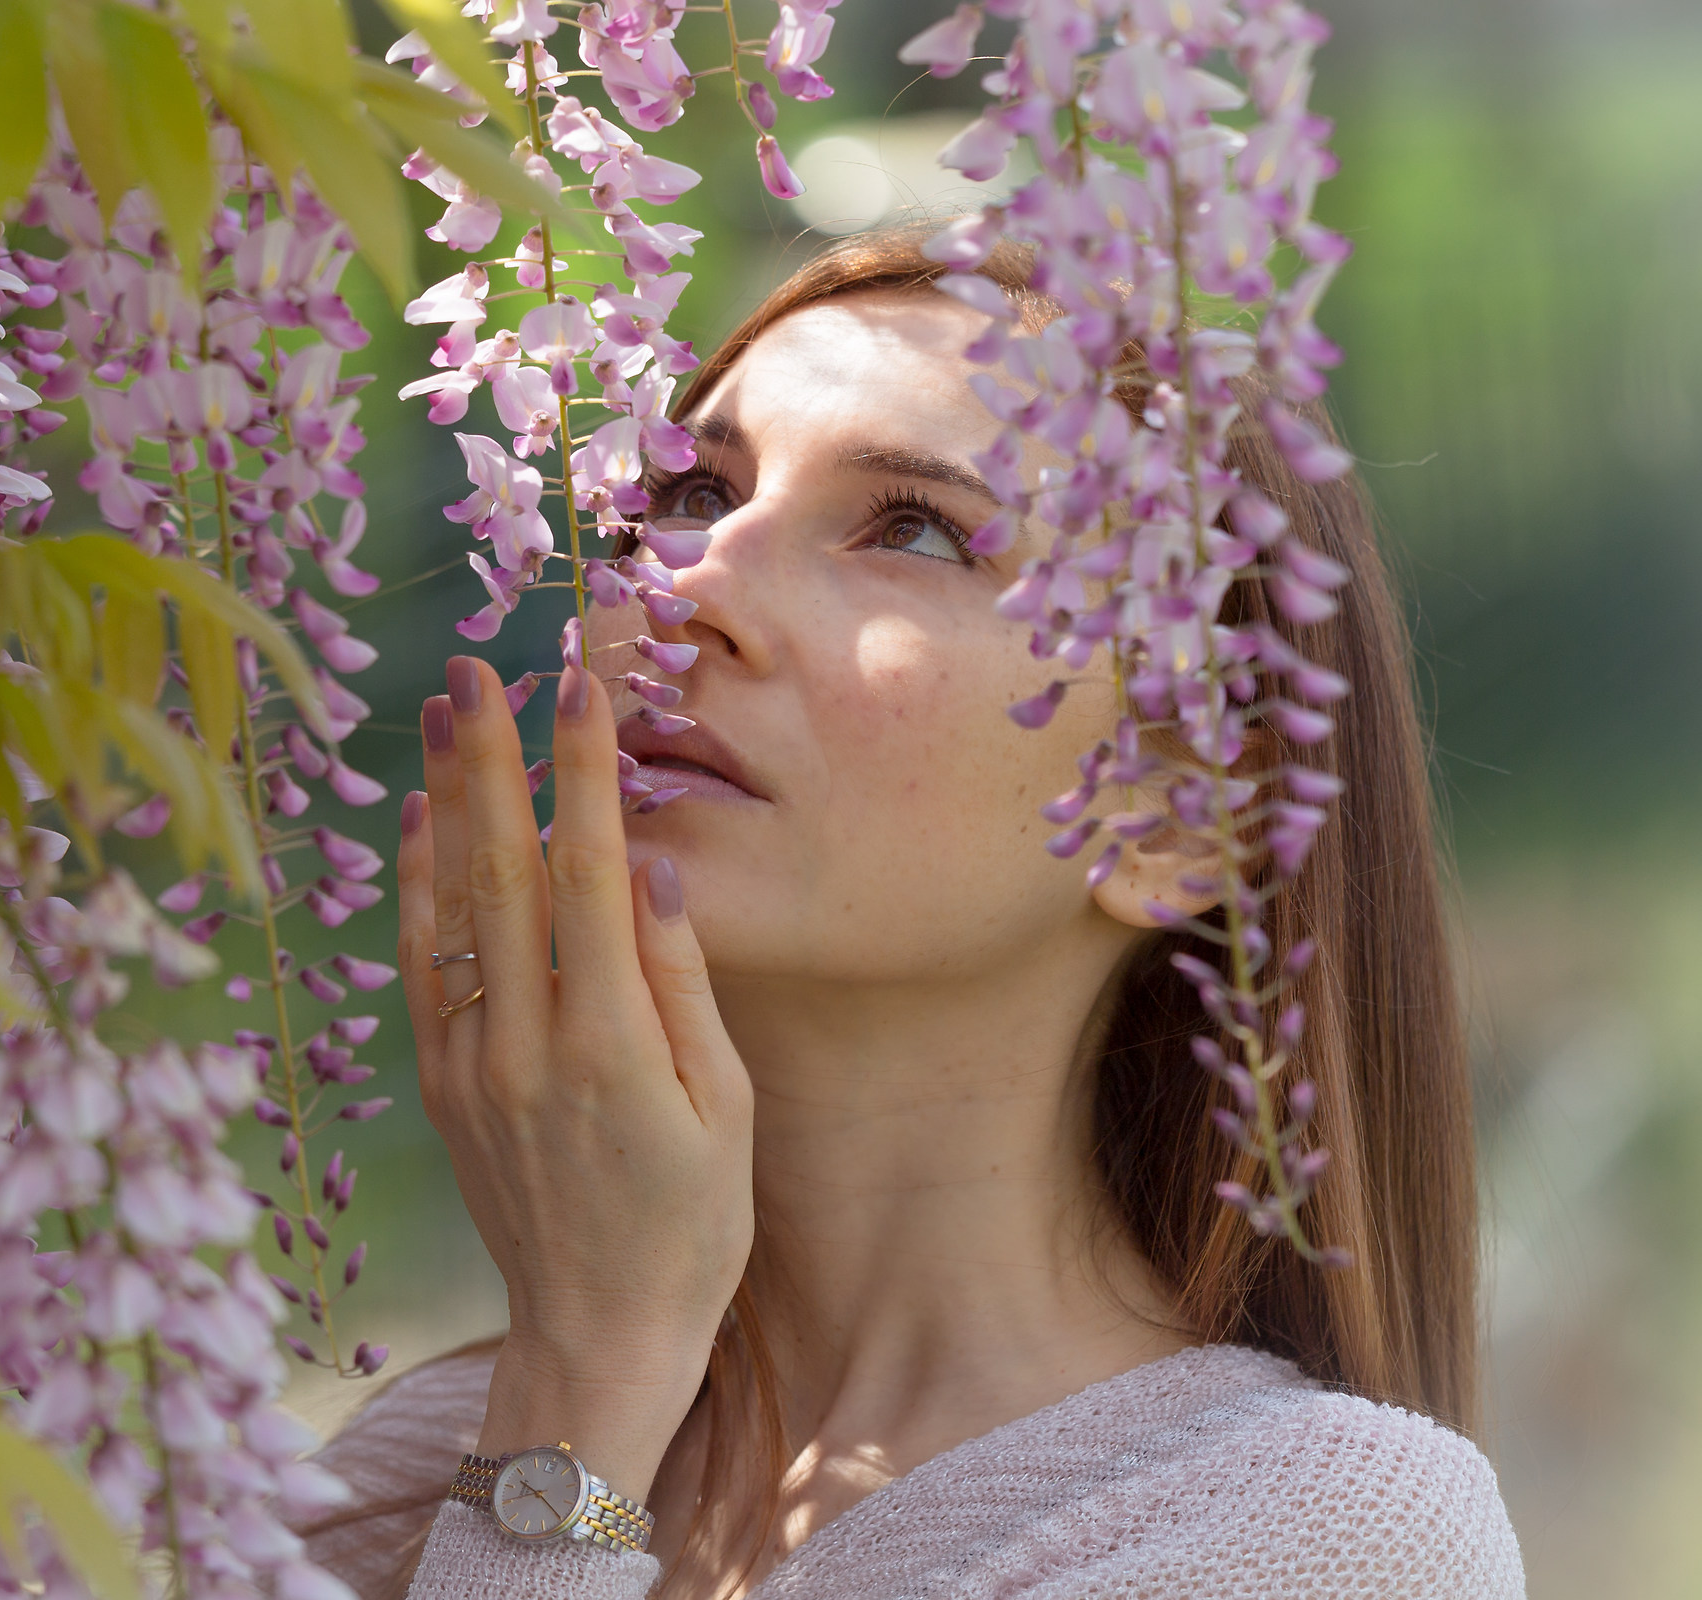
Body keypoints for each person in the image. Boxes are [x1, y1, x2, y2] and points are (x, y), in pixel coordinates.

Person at [295, 227, 1524, 1600]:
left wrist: (579, 1399)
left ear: (1177, 813)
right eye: (692, 490)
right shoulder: (409, 1471)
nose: (682, 583)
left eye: (916, 529)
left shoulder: (1315, 1534)